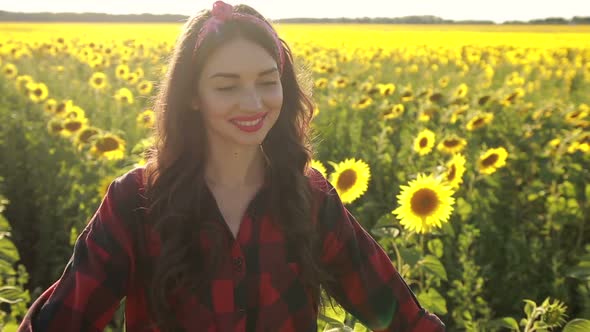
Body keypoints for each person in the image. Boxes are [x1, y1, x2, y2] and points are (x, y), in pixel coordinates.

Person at [18, 1, 446, 331]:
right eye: (227, 86)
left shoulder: (309, 196)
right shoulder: (137, 202)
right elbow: (62, 321)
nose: (253, 103)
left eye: (266, 81)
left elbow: (397, 313)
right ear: (192, 95)